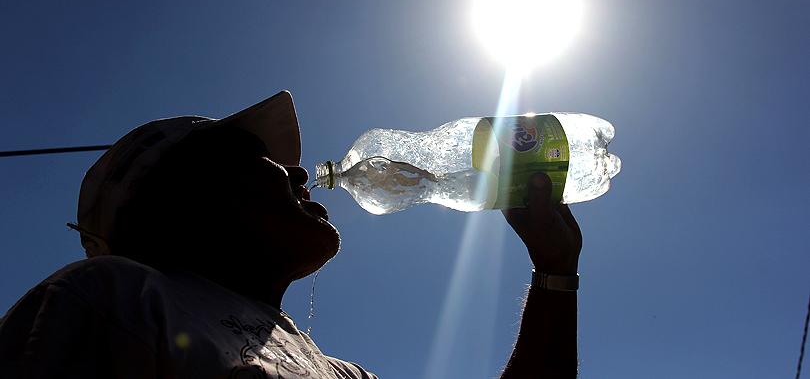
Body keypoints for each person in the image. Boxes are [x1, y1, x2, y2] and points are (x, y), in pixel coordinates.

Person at [0, 91, 582, 378]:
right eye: (256, 158)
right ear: (191, 201)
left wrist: (553, 271)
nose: (300, 172)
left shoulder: (340, 372)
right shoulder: (113, 299)